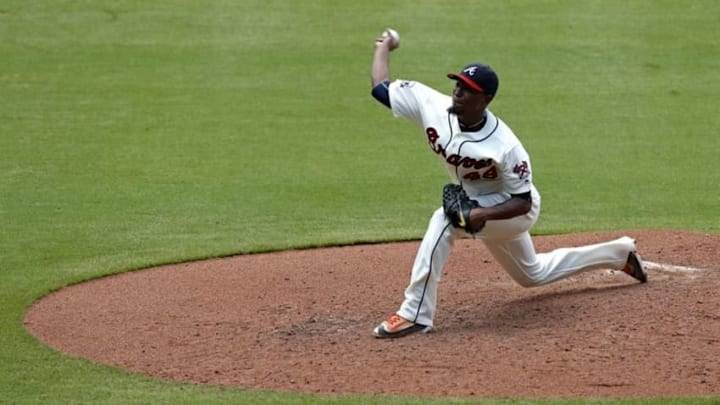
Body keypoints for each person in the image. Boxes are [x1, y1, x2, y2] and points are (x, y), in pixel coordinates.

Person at [369, 30, 647, 339]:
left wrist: (480, 215)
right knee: (532, 274)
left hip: (512, 210)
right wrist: (384, 47)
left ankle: (415, 314)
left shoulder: (505, 145)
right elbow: (381, 88)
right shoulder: (430, 104)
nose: (458, 92)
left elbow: (524, 201)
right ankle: (619, 253)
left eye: (468, 90)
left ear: (485, 100)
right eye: (458, 84)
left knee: (443, 222)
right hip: (478, 204)